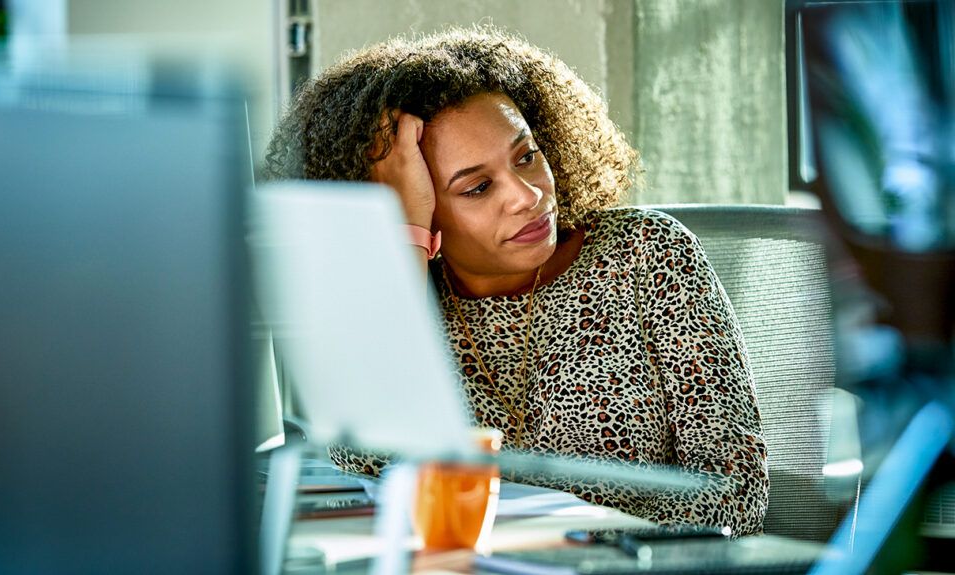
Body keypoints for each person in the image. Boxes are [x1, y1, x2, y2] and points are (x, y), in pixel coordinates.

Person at [265, 27, 769, 536]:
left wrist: (599, 555)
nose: (527, 196)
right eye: (478, 187)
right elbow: (366, 458)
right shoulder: (408, 302)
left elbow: (734, 488)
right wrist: (403, 239)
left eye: (526, 156)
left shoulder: (646, 253)